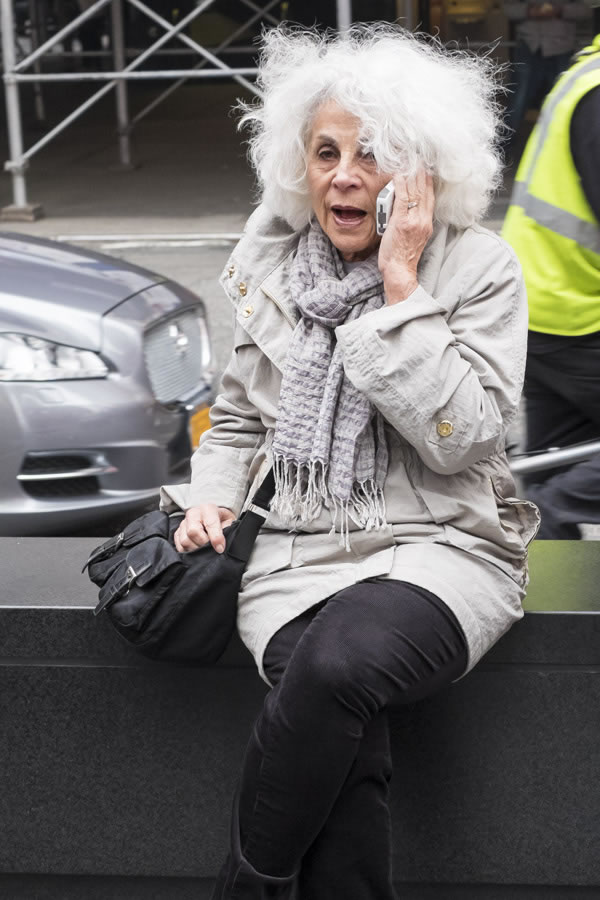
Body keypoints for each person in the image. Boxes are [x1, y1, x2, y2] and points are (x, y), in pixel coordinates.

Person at [160, 25, 540, 899]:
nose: (343, 174)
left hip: (445, 547)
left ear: (419, 167)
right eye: (325, 152)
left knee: (335, 669)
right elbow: (239, 424)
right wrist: (211, 499)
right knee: (343, 749)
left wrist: (402, 294)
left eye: (371, 154)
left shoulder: (477, 268)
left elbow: (466, 439)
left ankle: (247, 884)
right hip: (298, 555)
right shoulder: (272, 268)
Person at [502, 34, 600, 539]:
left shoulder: (585, 73)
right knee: (557, 488)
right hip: (578, 315)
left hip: (539, 306)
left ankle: (535, 539)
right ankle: (547, 510)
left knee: (553, 459)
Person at [503, 0, 590, 152]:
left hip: (561, 48)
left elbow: (586, 10)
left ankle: (567, 148)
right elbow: (507, 8)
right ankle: (502, 149)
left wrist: (560, 11)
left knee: (563, 101)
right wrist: (529, 11)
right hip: (528, 47)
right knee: (517, 102)